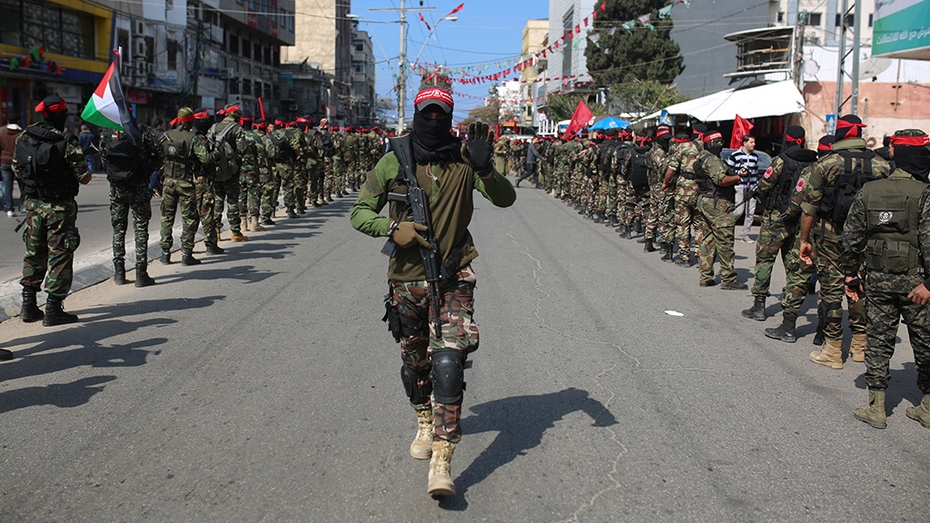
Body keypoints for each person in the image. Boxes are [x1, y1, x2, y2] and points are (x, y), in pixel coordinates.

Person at [350, 86, 516, 497]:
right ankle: (424, 418)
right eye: (429, 113)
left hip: (454, 274)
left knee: (448, 363)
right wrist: (394, 229)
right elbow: (359, 212)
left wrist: (487, 170)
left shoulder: (465, 159)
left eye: (443, 114)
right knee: (416, 361)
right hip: (405, 279)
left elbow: (505, 200)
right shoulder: (393, 161)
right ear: (417, 113)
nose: (435, 121)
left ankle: (442, 458)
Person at [843, 129, 930, 429]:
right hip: (918, 286)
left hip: (877, 283)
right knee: (926, 343)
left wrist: (851, 275)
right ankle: (928, 409)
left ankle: (876, 409)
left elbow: (851, 239)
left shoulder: (870, 191)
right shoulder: (925, 193)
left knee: (878, 342)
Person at [798, 114, 892, 369]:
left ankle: (832, 350)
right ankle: (860, 347)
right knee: (857, 287)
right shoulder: (882, 165)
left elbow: (810, 208)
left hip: (830, 236)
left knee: (831, 291)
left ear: (840, 134)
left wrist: (804, 240)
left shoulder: (826, 164)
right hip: (867, 239)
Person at [14, 95, 92, 326]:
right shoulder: (66, 141)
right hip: (59, 208)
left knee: (34, 253)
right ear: (60, 115)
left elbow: (17, 170)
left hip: (33, 206)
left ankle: (28, 306)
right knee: (60, 254)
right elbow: (85, 177)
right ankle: (53, 309)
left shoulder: (23, 138)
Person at [741, 126, 818, 325]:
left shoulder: (782, 160)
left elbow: (766, 183)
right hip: (801, 219)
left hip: (777, 218)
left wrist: (757, 192)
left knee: (765, 259)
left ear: (788, 139)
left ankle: (759, 305)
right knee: (794, 264)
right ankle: (790, 308)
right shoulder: (814, 161)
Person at [100, 124, 163, 287]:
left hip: (117, 189)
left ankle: (119, 273)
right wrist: (147, 169)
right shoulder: (140, 130)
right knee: (141, 228)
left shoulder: (106, 132)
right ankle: (141, 274)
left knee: (118, 229)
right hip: (139, 186)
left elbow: (103, 158)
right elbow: (160, 154)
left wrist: (115, 174)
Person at [159, 107, 214, 266]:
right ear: (191, 121)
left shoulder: (166, 135)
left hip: (168, 182)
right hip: (185, 183)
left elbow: (157, 154)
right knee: (188, 218)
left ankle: (165, 253)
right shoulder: (193, 138)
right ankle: (186, 254)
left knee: (166, 217)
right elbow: (205, 158)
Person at [692, 131, 746, 289]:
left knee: (708, 239)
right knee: (725, 241)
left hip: (706, 201)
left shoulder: (704, 157)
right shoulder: (712, 159)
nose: (719, 145)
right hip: (717, 204)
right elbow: (721, 180)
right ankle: (728, 279)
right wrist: (737, 178)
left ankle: (705, 275)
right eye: (716, 142)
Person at [209, 104, 248, 242]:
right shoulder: (237, 128)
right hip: (231, 171)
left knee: (217, 199)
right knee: (232, 201)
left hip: (215, 169)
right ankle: (235, 232)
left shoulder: (213, 127)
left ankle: (216, 230)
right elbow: (242, 148)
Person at [728, 134, 759, 243]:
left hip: (752, 187)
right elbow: (728, 170)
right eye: (751, 142)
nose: (753, 144)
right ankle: (728, 228)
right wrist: (739, 173)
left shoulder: (755, 156)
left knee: (750, 212)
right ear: (744, 143)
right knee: (738, 211)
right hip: (740, 187)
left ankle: (745, 235)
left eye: (754, 142)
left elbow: (756, 172)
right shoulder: (734, 156)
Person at [1, 114, 24, 216]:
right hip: (18, 162)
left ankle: (10, 208)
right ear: (18, 121)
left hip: (5, 162)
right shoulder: (21, 134)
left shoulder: (2, 133)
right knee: (22, 185)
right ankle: (23, 206)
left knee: (8, 186)